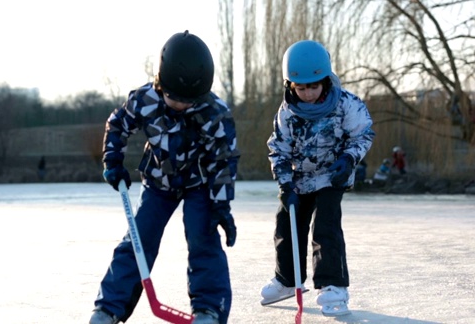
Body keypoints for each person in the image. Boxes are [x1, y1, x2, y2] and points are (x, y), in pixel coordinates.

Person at [89, 31, 240, 324]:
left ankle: (209, 308)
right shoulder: (145, 99)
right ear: (161, 83)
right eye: (173, 97)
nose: (180, 105)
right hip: (159, 183)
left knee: (202, 236)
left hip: (200, 184)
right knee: (137, 239)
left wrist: (221, 206)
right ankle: (109, 307)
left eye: (189, 100)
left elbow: (224, 161)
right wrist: (113, 160)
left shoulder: (215, 114)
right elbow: (118, 124)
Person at [260, 40, 375, 316]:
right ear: (290, 86)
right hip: (299, 179)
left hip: (332, 176)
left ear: (325, 80)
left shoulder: (346, 103)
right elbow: (278, 148)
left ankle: (333, 285)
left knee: (325, 226)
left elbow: (363, 134)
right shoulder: (287, 112)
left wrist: (348, 160)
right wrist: (284, 184)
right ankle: (287, 280)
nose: (308, 93)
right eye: (301, 88)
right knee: (286, 224)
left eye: (314, 86)